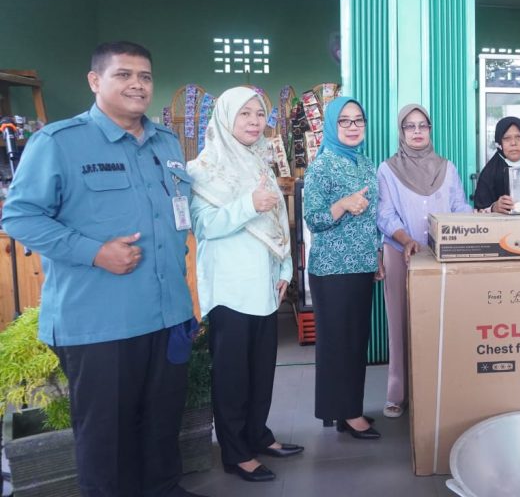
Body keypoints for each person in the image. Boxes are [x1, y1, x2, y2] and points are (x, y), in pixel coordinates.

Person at [1, 41, 205, 497]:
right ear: (95, 81)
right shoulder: (60, 142)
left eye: (145, 76)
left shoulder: (166, 142)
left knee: (162, 424)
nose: (137, 84)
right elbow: (19, 217)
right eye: (123, 74)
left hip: (167, 314)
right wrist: (94, 252)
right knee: (107, 440)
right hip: (100, 322)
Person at [187, 87, 303, 483]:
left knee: (260, 372)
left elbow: (276, 222)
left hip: (265, 287)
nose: (255, 121)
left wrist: (284, 268)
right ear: (225, 118)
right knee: (232, 376)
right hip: (230, 290)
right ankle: (236, 453)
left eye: (259, 113)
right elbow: (203, 226)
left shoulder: (259, 163)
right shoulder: (203, 169)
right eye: (245, 114)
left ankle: (258, 435)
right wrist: (248, 205)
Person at [377, 103, 472, 418]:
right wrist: (406, 239)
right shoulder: (388, 169)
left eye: (423, 125)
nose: (417, 132)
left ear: (430, 130)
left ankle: (437, 389)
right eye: (410, 126)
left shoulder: (447, 167)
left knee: (440, 321)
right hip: (400, 253)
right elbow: (384, 214)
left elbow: (459, 206)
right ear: (401, 131)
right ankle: (398, 393)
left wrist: (480, 218)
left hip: (441, 256)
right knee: (400, 323)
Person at [302, 96, 382, 440]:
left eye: (358, 120)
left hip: (362, 264)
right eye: (344, 121)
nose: (352, 127)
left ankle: (350, 408)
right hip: (332, 269)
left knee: (355, 341)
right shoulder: (322, 166)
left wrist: (377, 254)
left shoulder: (365, 162)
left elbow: (373, 216)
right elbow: (314, 219)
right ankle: (346, 413)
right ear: (333, 126)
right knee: (338, 343)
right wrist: (343, 204)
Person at [473, 116, 520, 213]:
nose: (513, 143)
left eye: (518, 137)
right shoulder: (489, 173)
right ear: (499, 144)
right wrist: (494, 208)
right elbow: (478, 212)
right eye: (506, 138)